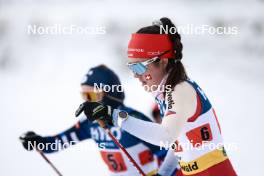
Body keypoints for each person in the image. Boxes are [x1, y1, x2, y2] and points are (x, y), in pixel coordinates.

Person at [76, 18, 237, 176]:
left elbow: (165, 136)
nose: (135, 75)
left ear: (163, 61)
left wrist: (113, 115)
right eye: (131, 68)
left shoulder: (180, 90)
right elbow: (179, 142)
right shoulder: (167, 91)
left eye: (139, 67)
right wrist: (164, 172)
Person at [20, 65, 169, 176]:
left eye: (91, 96)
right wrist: (39, 142)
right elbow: (62, 140)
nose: (87, 103)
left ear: (109, 93)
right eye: (84, 97)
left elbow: (166, 151)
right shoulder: (91, 124)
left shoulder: (132, 119)